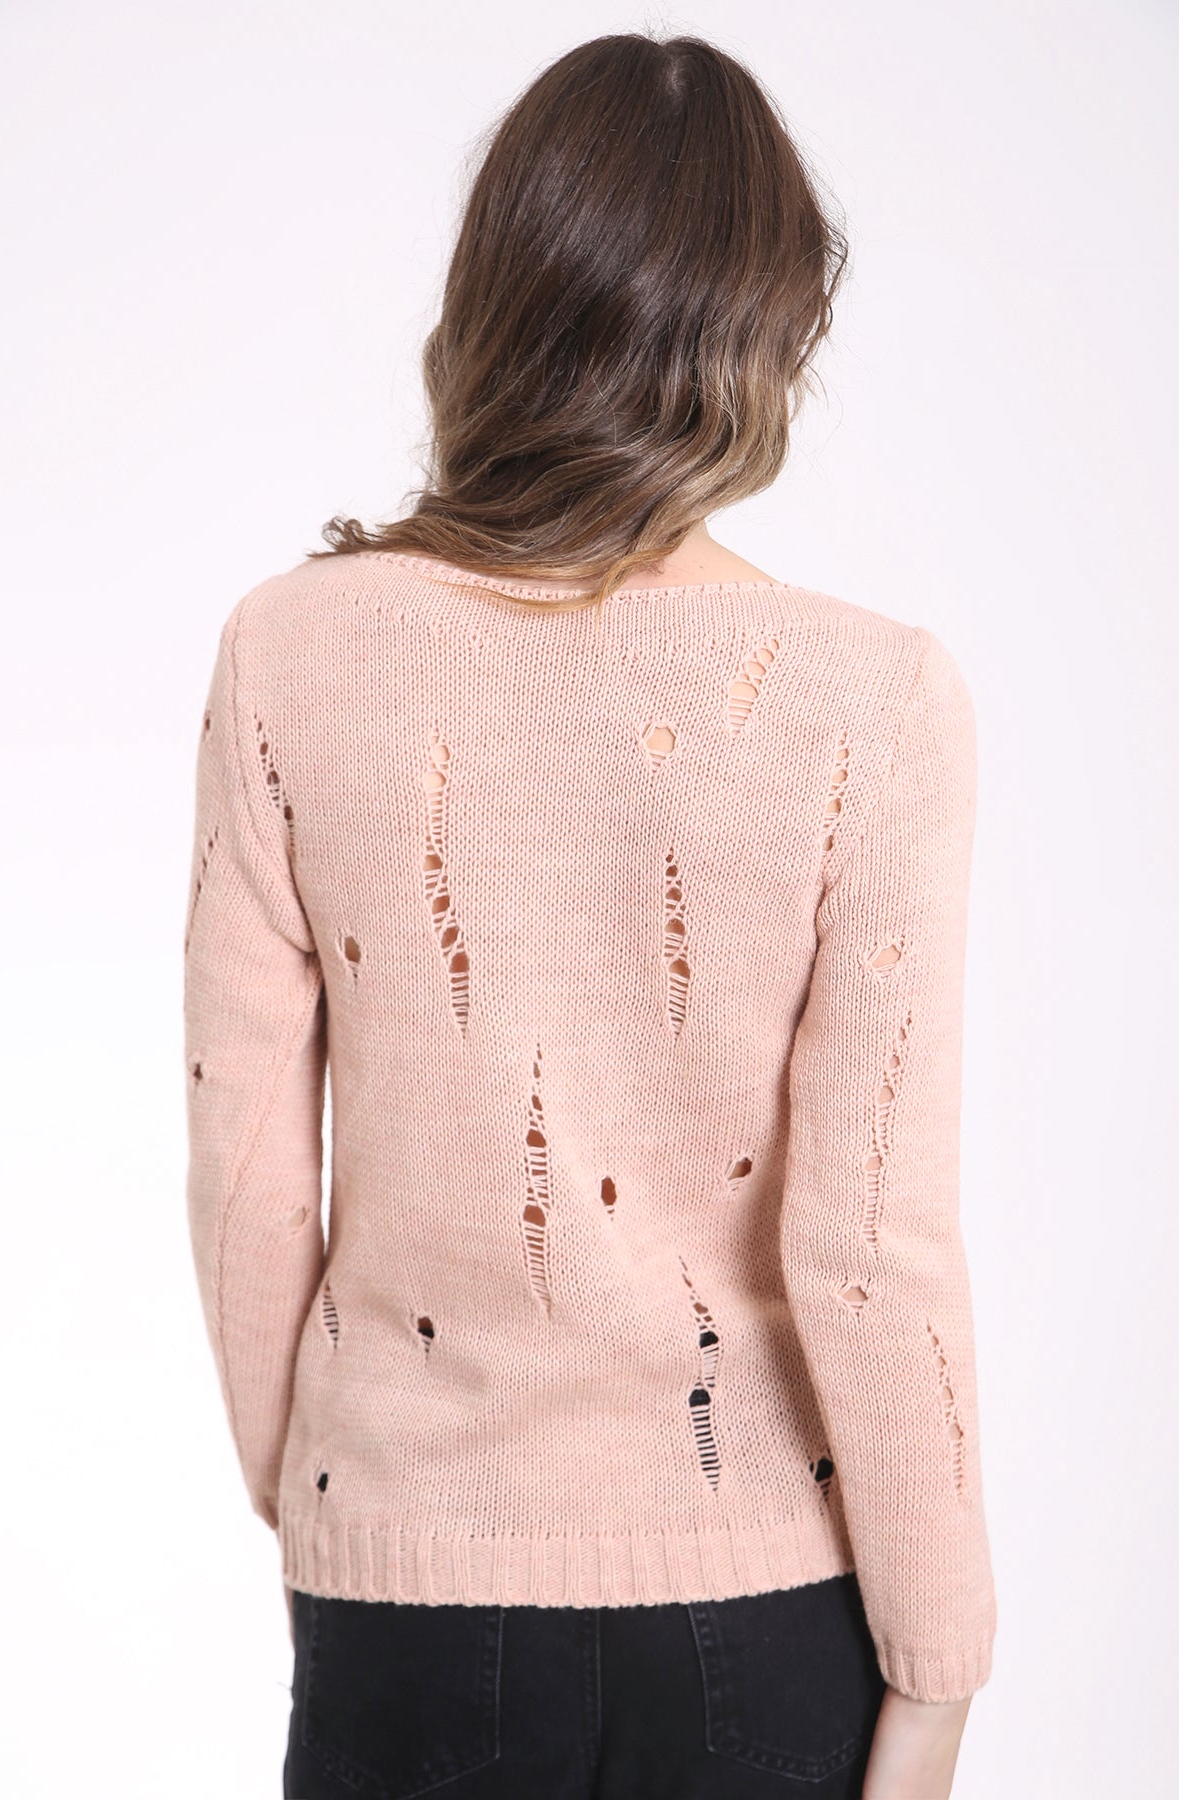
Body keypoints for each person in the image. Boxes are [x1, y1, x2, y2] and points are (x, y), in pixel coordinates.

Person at [183, 30, 996, 1800]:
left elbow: (246, 1159)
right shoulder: (874, 703)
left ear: (498, 296)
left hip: (397, 1594)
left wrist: (330, 1496)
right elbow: (872, 1243)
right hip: (764, 1611)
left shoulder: (289, 652)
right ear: (766, 330)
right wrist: (936, 1673)